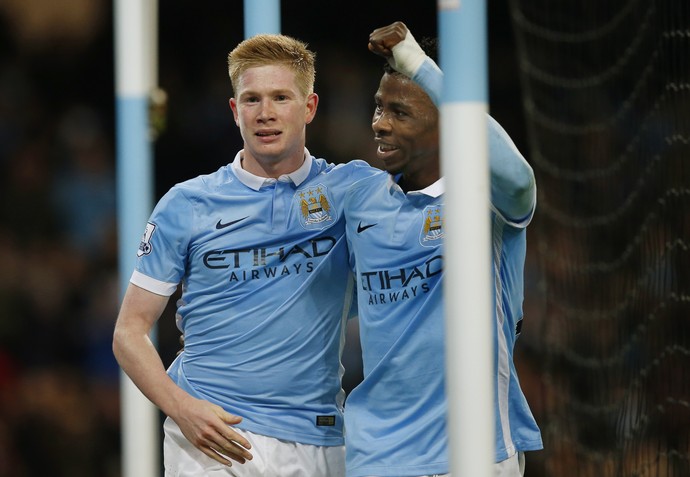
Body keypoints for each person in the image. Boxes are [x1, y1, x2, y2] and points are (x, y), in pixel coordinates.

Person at [112, 33, 381, 477]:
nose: (266, 113)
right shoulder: (187, 204)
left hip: (319, 438)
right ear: (235, 111)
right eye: (252, 100)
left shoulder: (351, 191)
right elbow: (129, 332)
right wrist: (182, 408)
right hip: (213, 436)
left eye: (281, 97)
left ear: (309, 107)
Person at [342, 22, 543, 476]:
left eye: (400, 112)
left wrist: (416, 63)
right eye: (378, 108)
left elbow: (519, 176)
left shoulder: (487, 199)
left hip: (475, 451)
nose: (380, 123)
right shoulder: (360, 200)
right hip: (375, 454)